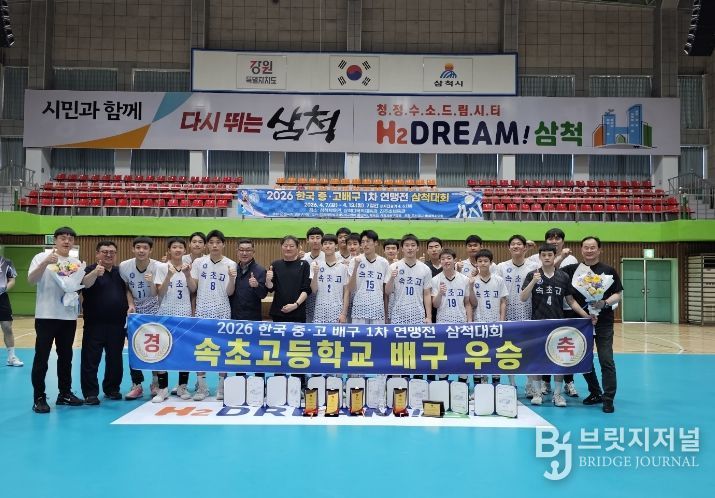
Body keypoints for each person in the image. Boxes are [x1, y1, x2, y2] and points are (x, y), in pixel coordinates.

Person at [519, 244, 594, 408]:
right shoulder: (532, 274)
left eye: (550, 255)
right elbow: (523, 297)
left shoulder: (563, 276)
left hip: (558, 325)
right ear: (540, 257)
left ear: (554, 256)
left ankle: (558, 395)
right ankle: (537, 393)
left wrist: (586, 316)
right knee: (538, 360)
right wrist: (533, 282)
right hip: (538, 324)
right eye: (544, 255)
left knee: (559, 361)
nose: (547, 257)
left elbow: (571, 301)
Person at [563, 236, 622, 414]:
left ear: (599, 250)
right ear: (581, 250)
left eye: (593, 247)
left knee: (606, 360)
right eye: (586, 247)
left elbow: (618, 294)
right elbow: (552, 270)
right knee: (583, 359)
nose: (589, 250)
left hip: (604, 322)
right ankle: (595, 392)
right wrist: (585, 315)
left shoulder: (608, 270)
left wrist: (604, 303)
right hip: (581, 323)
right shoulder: (572, 270)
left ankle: (608, 399)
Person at [29, 226, 84, 413]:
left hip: (68, 316)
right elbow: (31, 279)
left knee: (66, 357)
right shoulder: (40, 257)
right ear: (55, 240)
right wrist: (45, 263)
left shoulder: (75, 262)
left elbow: (76, 286)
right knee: (42, 358)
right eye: (63, 238)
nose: (67, 241)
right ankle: (39, 397)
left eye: (70, 238)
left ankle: (65, 393)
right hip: (46, 315)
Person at [527, 228, 580, 397]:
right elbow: (545, 269)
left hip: (564, 310)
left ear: (563, 241)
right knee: (541, 351)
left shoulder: (571, 259)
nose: (554, 241)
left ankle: (568, 383)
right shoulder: (537, 260)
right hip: (541, 312)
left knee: (563, 351)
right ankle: (544, 383)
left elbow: (568, 286)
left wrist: (586, 315)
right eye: (550, 238)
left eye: (557, 238)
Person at [80, 241, 130, 405]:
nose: (109, 255)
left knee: (115, 359)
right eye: (105, 251)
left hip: (117, 324)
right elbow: (84, 284)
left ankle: (112, 389)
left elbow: (128, 291)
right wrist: (95, 273)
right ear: (97, 254)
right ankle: (90, 393)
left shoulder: (120, 272)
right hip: (94, 324)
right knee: (90, 359)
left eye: (112, 252)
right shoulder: (89, 270)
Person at [190, 229, 236, 401]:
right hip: (202, 310)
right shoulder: (198, 262)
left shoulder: (230, 264)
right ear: (207, 245)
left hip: (222, 310)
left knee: (222, 348)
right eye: (211, 242)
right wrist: (187, 274)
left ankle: (221, 386)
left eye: (218, 242)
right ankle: (202, 387)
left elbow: (230, 292)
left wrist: (232, 278)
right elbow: (193, 288)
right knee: (201, 348)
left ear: (223, 244)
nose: (215, 245)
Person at [266, 235, 312, 388]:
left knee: (298, 348)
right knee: (279, 348)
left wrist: (296, 304)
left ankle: (299, 382)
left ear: (298, 248)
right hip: (279, 313)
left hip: (297, 312)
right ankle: (278, 381)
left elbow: (307, 289)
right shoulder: (275, 265)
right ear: (281, 247)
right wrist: (268, 279)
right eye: (285, 245)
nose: (288, 248)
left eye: (292, 246)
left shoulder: (304, 264)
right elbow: (270, 288)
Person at [119, 236, 160, 400]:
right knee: (134, 347)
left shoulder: (158, 266)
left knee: (155, 346)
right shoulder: (124, 266)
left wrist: (151, 283)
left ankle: (156, 383)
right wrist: (130, 303)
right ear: (133, 249)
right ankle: (137, 384)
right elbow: (126, 288)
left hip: (154, 307)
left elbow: (159, 291)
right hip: (135, 309)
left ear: (150, 250)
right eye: (138, 247)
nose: (141, 250)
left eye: (145, 248)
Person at [153, 237, 193, 402]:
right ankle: (163, 389)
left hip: (184, 312)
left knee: (184, 351)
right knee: (163, 351)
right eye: (174, 247)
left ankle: (182, 386)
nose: (177, 250)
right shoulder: (161, 267)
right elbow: (159, 293)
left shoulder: (188, 266)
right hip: (165, 313)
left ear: (185, 250)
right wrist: (169, 275)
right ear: (169, 250)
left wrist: (188, 275)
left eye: (180, 247)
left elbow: (193, 289)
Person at [496, 234, 539, 389]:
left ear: (525, 247)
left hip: (528, 312)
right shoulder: (501, 267)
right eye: (513, 244)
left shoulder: (534, 266)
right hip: (507, 313)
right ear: (509, 248)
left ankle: (530, 384)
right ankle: (512, 384)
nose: (516, 246)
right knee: (508, 350)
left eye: (519, 244)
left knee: (528, 349)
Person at [431, 248, 472, 381]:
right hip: (443, 323)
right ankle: (443, 382)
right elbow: (435, 305)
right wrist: (440, 293)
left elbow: (467, 303)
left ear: (455, 260)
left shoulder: (464, 279)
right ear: (440, 261)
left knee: (462, 355)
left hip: (461, 322)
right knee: (443, 355)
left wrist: (469, 321)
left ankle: (462, 383)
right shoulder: (435, 280)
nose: (446, 261)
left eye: (449, 258)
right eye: (443, 259)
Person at [469, 248, 508, 385]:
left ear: (491, 263)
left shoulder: (499, 280)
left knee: (495, 354)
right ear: (476, 263)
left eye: (486, 261)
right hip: (478, 321)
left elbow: (503, 301)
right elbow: (472, 303)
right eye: (480, 261)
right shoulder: (472, 281)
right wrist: (470, 287)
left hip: (495, 322)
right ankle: (479, 384)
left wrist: (502, 321)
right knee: (478, 354)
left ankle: (495, 384)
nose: (483, 263)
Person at [230, 238, 268, 377]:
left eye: (248, 250)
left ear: (253, 252)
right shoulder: (232, 269)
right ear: (237, 251)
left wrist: (257, 286)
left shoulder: (260, 270)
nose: (244, 253)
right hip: (235, 317)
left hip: (253, 318)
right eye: (241, 250)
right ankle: (240, 380)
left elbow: (263, 294)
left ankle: (259, 381)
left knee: (256, 351)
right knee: (238, 351)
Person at [386, 234, 432, 325]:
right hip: (398, 314)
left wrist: (429, 317)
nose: (410, 248)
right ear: (402, 248)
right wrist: (391, 278)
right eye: (407, 245)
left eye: (413, 245)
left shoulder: (425, 269)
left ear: (417, 248)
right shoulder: (393, 267)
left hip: (418, 314)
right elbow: (387, 291)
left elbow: (427, 294)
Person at [349, 230, 389, 324]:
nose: (365, 244)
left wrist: (386, 313)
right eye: (363, 242)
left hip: (378, 308)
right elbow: (350, 288)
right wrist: (356, 267)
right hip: (359, 307)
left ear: (375, 243)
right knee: (359, 333)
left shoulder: (384, 262)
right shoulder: (355, 261)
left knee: (377, 333)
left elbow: (385, 291)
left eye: (368, 241)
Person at [311, 234, 350, 324]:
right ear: (322, 247)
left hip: (337, 310)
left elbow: (346, 292)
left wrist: (344, 314)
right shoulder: (316, 265)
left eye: (330, 243)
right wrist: (315, 274)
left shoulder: (343, 267)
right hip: (320, 310)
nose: (327, 246)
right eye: (325, 244)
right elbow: (314, 290)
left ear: (336, 246)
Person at [0, 255, 22, 366]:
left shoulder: (6, 262)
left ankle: (11, 357)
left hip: (2, 298)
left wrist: (3, 290)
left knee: (7, 327)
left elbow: (12, 280)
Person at [302, 227, 325, 323]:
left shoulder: (328, 257)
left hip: (322, 296)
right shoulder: (303, 258)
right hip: (306, 297)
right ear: (307, 240)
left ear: (322, 239)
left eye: (318, 238)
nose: (315, 241)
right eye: (312, 238)